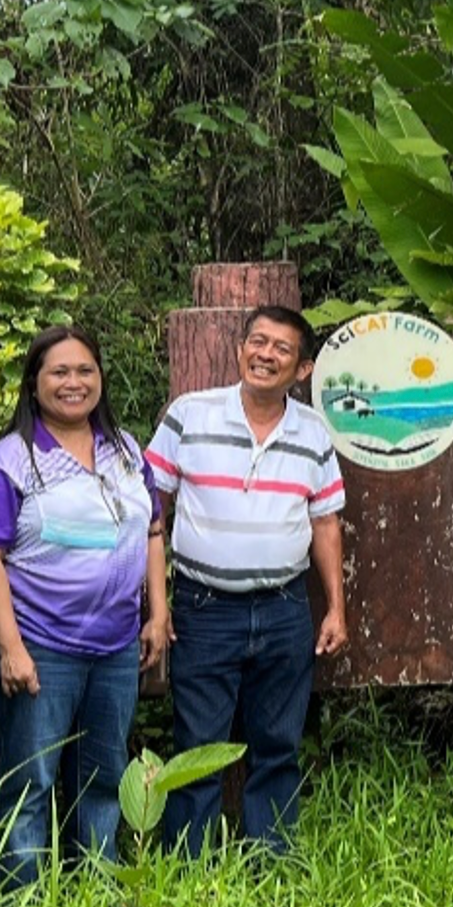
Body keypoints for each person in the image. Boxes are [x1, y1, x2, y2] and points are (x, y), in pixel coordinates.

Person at [0, 326, 167, 889]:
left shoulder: (125, 451)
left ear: (101, 378)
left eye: (85, 371)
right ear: (33, 384)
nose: (73, 383)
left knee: (102, 779)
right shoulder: (8, 463)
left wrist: (158, 611)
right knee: (30, 783)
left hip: (115, 647)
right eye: (59, 372)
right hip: (39, 647)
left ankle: (94, 897)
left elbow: (152, 528)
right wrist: (10, 649)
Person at [144, 305, 349, 854]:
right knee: (197, 744)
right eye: (257, 342)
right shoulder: (191, 414)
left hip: (285, 609)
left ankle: (273, 859)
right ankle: (185, 864)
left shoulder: (313, 432)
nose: (266, 354)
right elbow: (148, 509)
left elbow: (325, 521)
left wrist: (335, 609)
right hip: (204, 607)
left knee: (278, 742)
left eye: (282, 348)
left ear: (302, 369)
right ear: (240, 349)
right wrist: (156, 606)